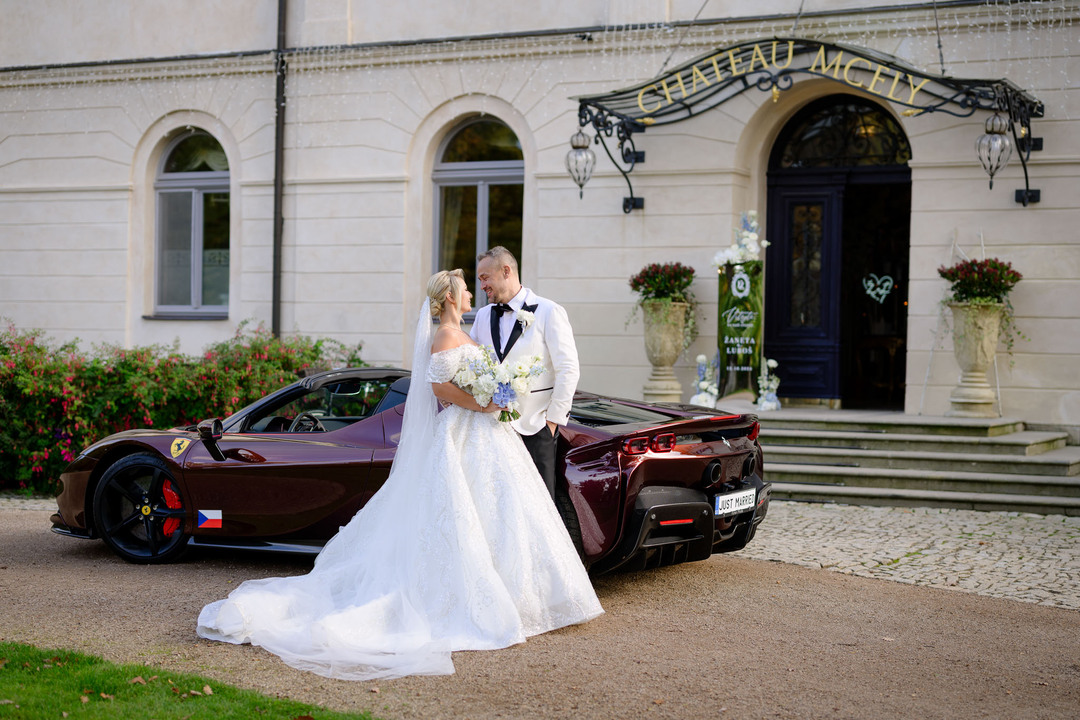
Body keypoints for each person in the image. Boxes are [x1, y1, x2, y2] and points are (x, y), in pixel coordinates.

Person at [196, 269, 602, 681]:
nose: (470, 295)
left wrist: (499, 391)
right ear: (448, 298)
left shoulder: (467, 333)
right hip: (467, 431)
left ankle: (523, 599)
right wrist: (484, 404)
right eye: (464, 290)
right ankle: (474, 601)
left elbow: (476, 379)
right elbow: (440, 388)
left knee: (503, 513)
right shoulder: (444, 337)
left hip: (491, 435)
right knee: (460, 515)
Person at [471, 246, 580, 500]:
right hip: (491, 430)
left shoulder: (549, 311)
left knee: (539, 505)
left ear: (506, 271)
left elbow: (568, 368)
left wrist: (552, 421)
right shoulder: (482, 316)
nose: (482, 286)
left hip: (536, 428)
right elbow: (474, 364)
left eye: (485, 278)